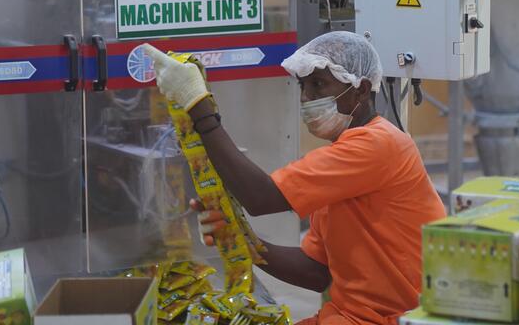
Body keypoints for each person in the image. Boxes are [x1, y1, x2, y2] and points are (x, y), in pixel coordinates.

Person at [142, 31, 446, 325]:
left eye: (318, 84)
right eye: (302, 86)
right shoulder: (344, 165)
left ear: (361, 89)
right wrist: (242, 242)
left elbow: (260, 197)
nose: (307, 97)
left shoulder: (378, 145)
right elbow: (316, 273)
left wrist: (198, 106)